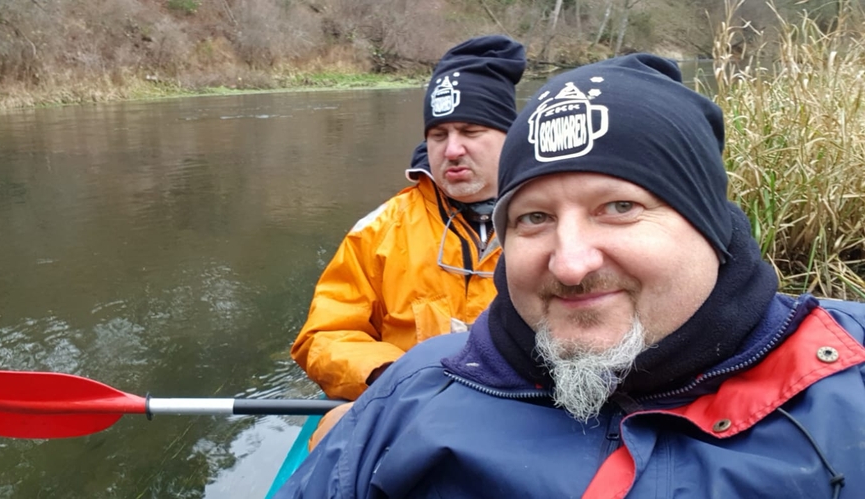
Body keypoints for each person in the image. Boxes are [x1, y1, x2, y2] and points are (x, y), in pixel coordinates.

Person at [276, 53, 865, 498]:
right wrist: (386, 377)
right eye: (534, 219)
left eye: (620, 207)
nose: (569, 262)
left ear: (709, 222)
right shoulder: (386, 265)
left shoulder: (846, 381)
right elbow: (324, 335)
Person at [291, 35, 527, 402]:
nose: (452, 149)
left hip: (522, 411)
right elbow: (322, 337)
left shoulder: (554, 224)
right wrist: (392, 375)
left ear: (510, 137)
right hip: (408, 409)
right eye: (438, 135)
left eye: (470, 131)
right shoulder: (378, 230)